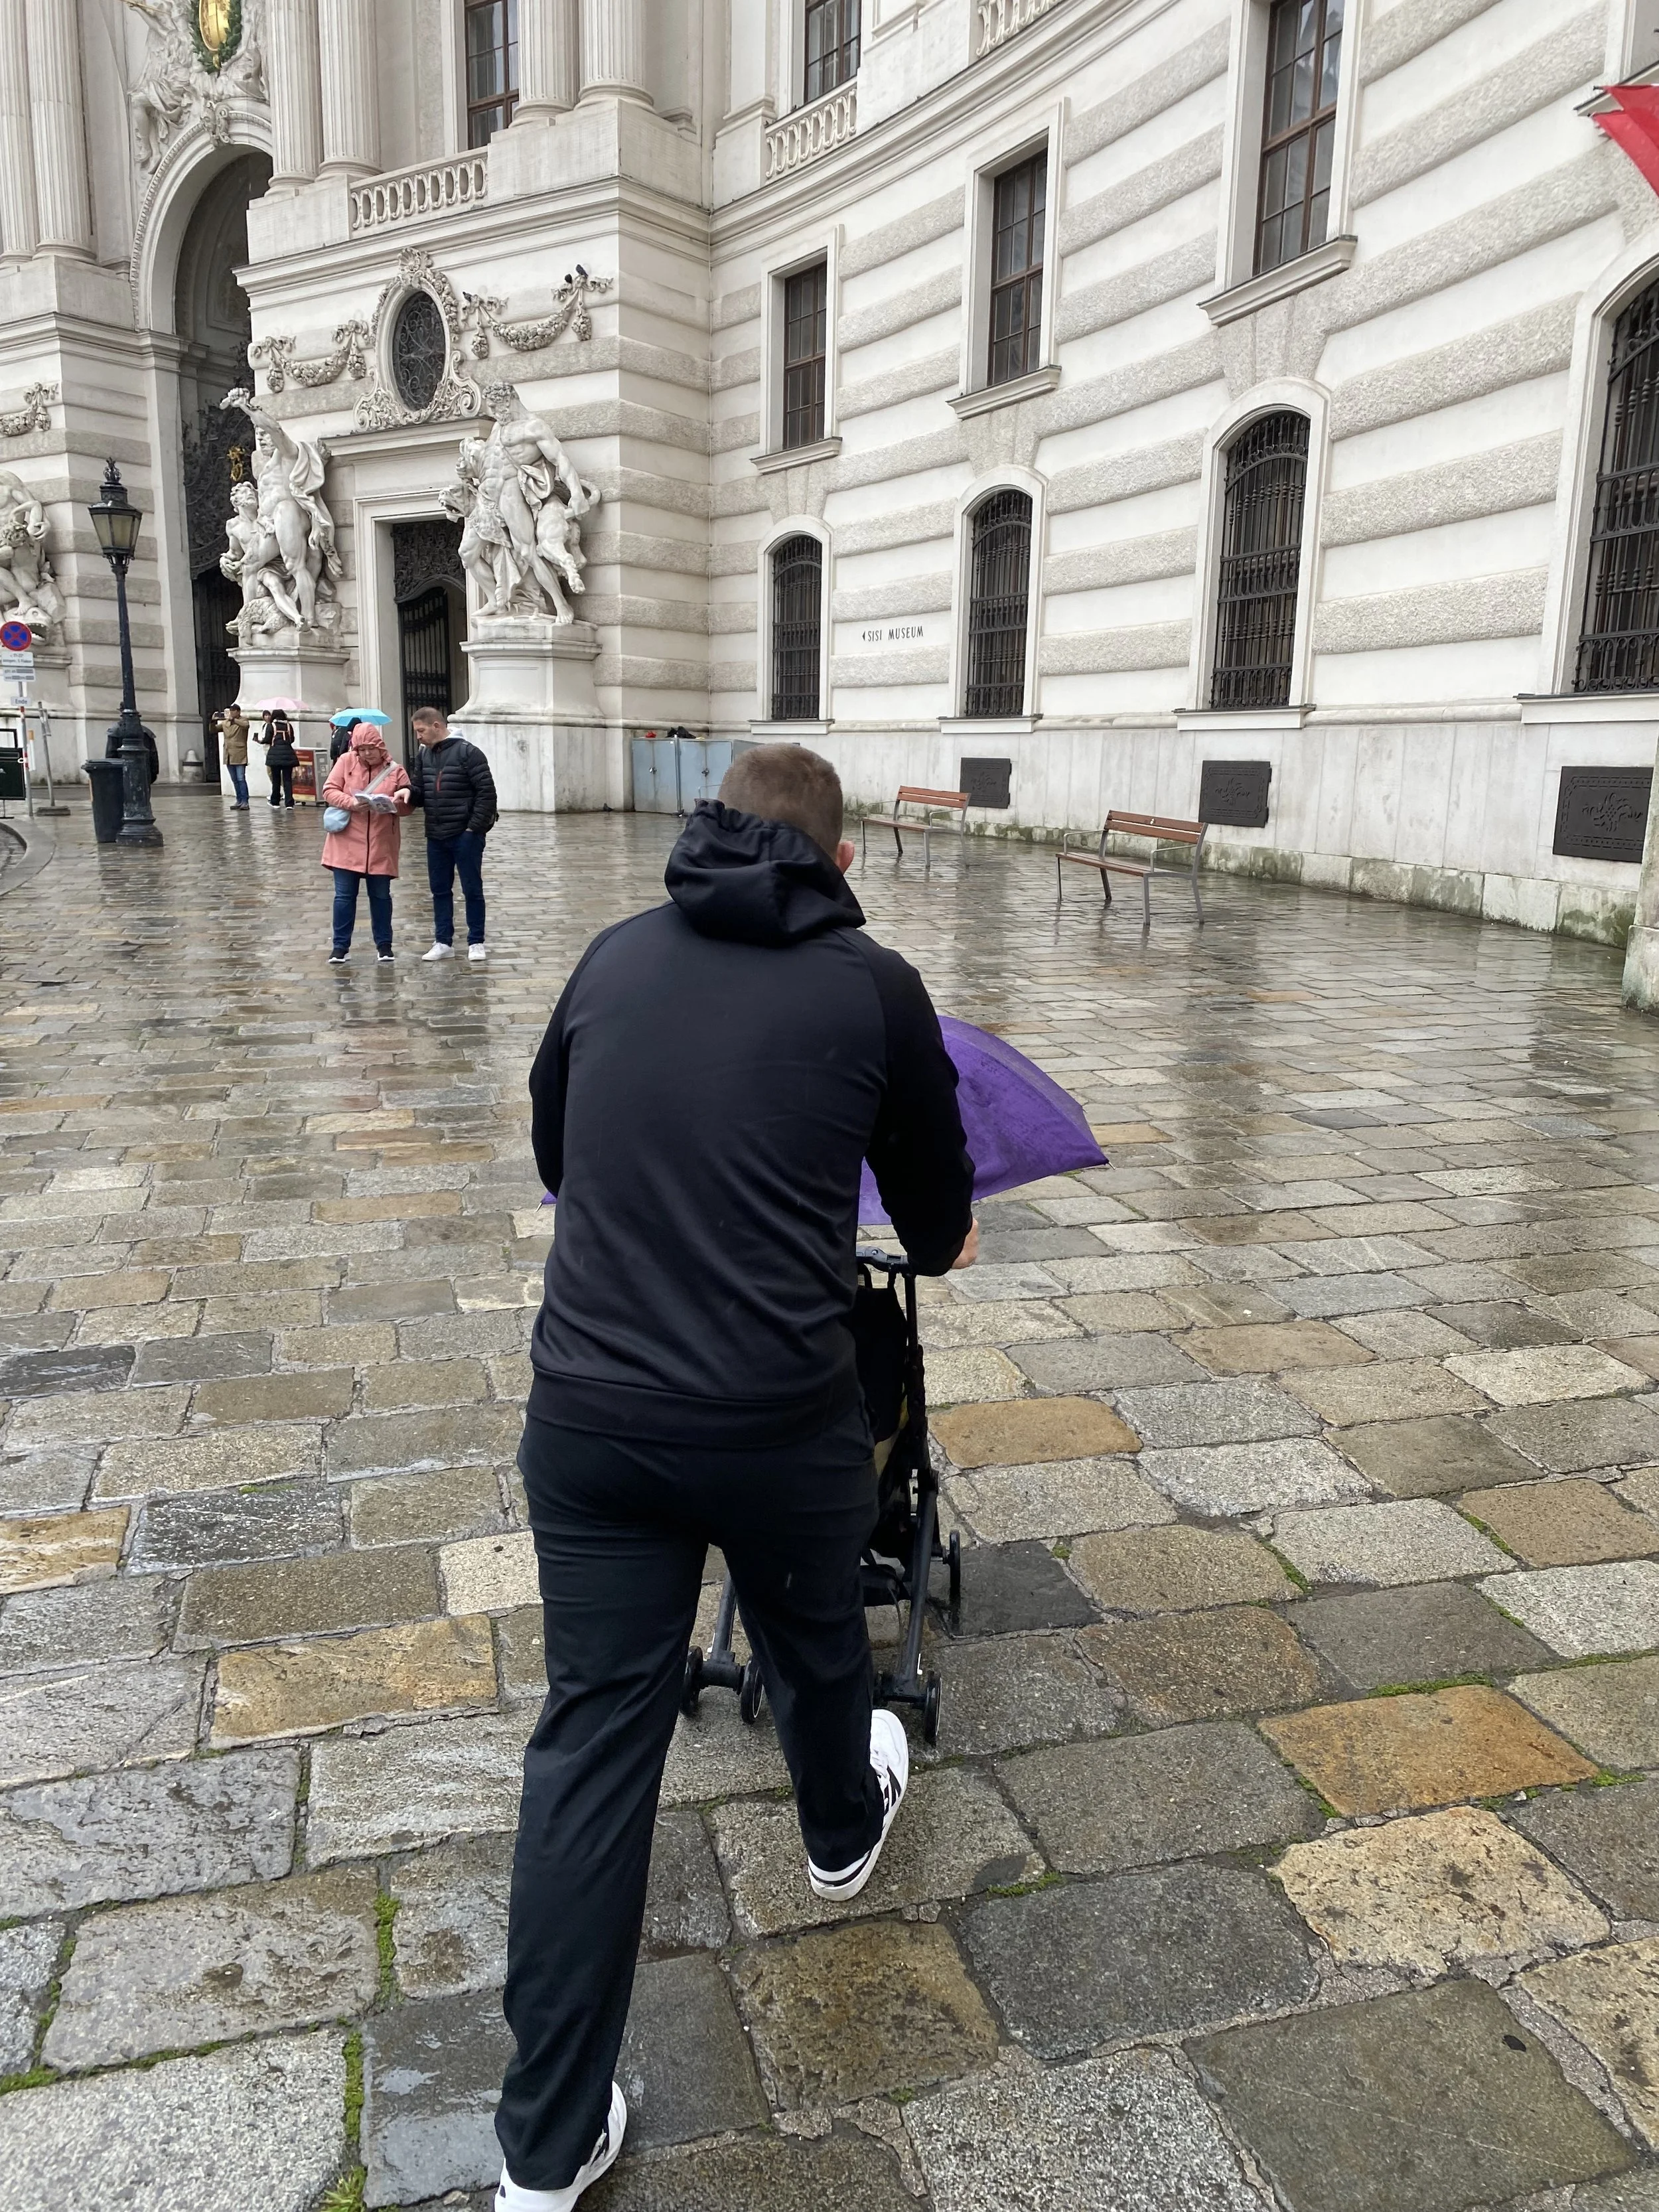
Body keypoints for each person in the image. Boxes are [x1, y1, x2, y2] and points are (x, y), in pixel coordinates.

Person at [496, 744, 976, 2211]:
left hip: (590, 1410)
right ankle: (838, 1829)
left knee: (592, 1740)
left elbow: (556, 1150)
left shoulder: (611, 953)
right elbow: (940, 1228)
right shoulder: (875, 985)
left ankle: (541, 2152)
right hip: (774, 1415)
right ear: (842, 862)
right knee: (816, 1633)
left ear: (710, 830)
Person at [404, 705, 498, 962]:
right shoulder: (424, 755)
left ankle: (476, 941)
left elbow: (487, 794)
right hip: (436, 834)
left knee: (472, 889)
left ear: (436, 726)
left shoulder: (469, 753)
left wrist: (473, 829)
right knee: (440, 890)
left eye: (421, 731)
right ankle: (443, 941)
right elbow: (420, 790)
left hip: (465, 835)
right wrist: (408, 792)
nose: (418, 737)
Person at [320, 721, 411, 965]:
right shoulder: (345, 762)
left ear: (381, 747)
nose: (368, 753)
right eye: (362, 749)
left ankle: (384, 946)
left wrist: (394, 803)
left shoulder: (396, 770)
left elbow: (408, 805)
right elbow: (329, 790)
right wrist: (351, 803)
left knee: (381, 896)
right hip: (346, 841)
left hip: (381, 842)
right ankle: (340, 947)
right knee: (344, 897)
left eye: (372, 748)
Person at [258, 708, 298, 807]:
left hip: (275, 755)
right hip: (288, 755)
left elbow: (267, 739)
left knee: (276, 779)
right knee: (287, 779)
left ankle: (275, 801)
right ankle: (289, 803)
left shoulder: (271, 726)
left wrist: (260, 741)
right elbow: (292, 739)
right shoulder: (289, 726)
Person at [217, 707, 250, 808]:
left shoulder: (243, 720)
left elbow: (246, 726)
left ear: (238, 712)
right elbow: (214, 729)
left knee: (241, 778)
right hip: (228, 754)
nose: (231, 713)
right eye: (230, 711)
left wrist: (234, 720)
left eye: (233, 711)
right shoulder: (226, 723)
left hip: (239, 754)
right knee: (235, 780)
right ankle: (239, 800)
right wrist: (212, 721)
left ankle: (245, 801)